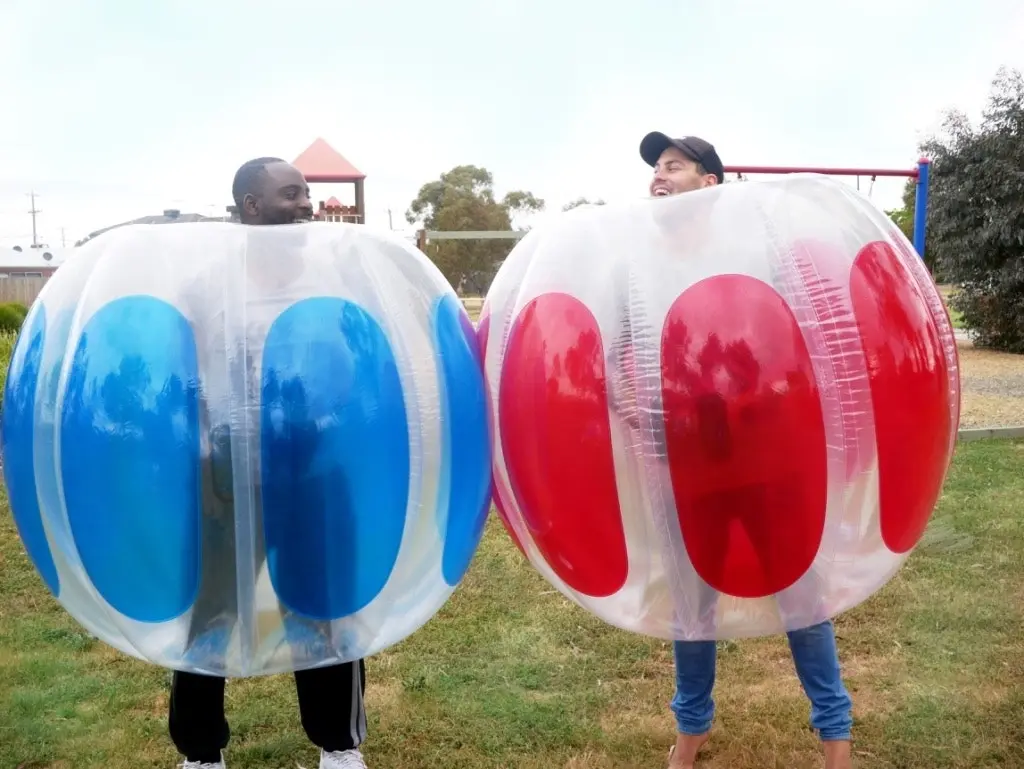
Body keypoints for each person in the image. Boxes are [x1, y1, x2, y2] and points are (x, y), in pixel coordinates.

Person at [637, 132, 854, 769]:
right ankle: (691, 731)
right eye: (654, 168)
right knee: (691, 605)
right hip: (690, 465)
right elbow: (633, 355)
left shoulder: (757, 253)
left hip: (765, 460)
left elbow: (802, 341)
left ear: (710, 184)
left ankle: (835, 739)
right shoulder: (643, 266)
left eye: (672, 165)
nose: (658, 175)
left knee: (800, 596)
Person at [168, 157, 370, 769]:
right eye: (292, 193)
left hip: (311, 466)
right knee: (210, 611)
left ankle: (338, 746)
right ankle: (201, 753)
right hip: (229, 468)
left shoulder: (329, 277)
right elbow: (187, 381)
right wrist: (203, 469)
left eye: (307, 193)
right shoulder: (208, 283)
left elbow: (354, 367)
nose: (306, 203)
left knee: (323, 607)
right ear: (251, 206)